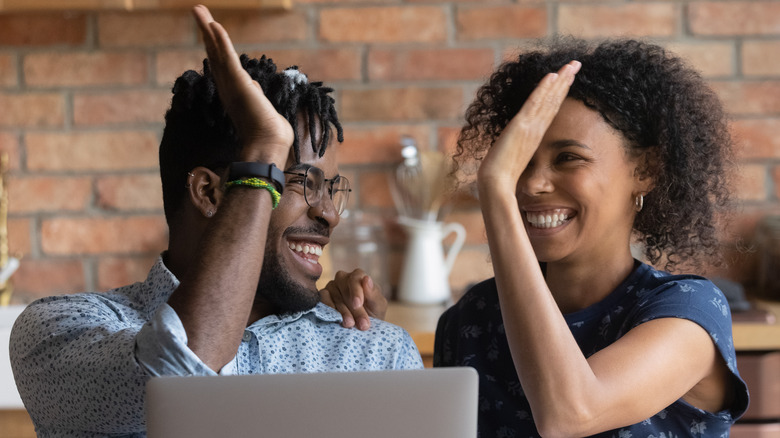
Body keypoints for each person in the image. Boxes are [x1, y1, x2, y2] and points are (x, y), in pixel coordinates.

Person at [10, 6, 422, 437]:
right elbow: (177, 377)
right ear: (210, 193)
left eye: (331, 188)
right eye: (303, 182)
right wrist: (265, 150)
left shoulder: (374, 352)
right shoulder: (61, 333)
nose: (330, 213)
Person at [433, 37, 749, 437]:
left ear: (646, 169)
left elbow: (570, 414)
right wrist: (365, 326)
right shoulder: (473, 317)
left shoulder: (689, 314)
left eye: (568, 158)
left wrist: (495, 186)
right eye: (520, 162)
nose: (532, 184)